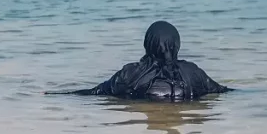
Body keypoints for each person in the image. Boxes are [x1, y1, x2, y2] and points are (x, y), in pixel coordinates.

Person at [51, 21, 230, 101]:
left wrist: (57, 95)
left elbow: (95, 92)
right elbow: (222, 91)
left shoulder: (130, 73)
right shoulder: (193, 73)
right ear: (176, 44)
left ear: (147, 43)